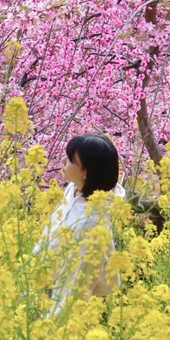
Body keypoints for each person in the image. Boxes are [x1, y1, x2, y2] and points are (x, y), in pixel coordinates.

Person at [32, 133, 125, 317]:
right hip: (42, 284)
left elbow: (76, 289)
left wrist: (49, 331)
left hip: (58, 303)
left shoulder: (91, 225)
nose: (63, 162)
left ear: (86, 172)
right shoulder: (74, 189)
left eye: (70, 160)